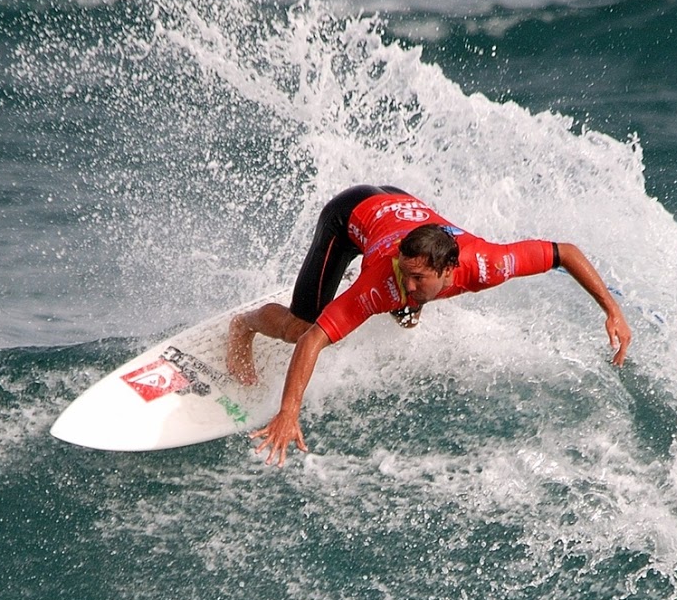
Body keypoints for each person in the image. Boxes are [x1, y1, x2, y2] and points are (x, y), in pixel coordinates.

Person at [228, 184, 633, 465]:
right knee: (299, 328)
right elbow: (313, 340)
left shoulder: (488, 264)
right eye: (405, 274)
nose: (408, 283)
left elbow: (565, 252)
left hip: (398, 203)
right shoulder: (384, 282)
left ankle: (385, 295)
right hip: (349, 215)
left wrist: (612, 311)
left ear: (450, 270)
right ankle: (243, 326)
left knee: (406, 313)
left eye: (419, 278)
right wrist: (288, 412)